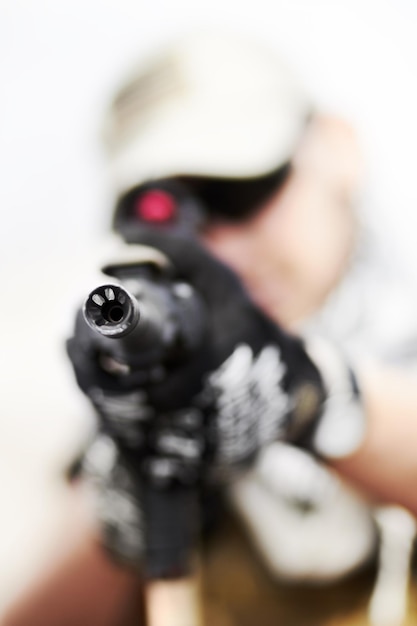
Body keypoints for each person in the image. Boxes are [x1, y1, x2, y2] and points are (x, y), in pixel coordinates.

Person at [6, 31, 417, 626]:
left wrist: (308, 396)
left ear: (337, 147)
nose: (217, 246)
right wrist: (129, 500)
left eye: (240, 191)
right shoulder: (151, 402)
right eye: (173, 213)